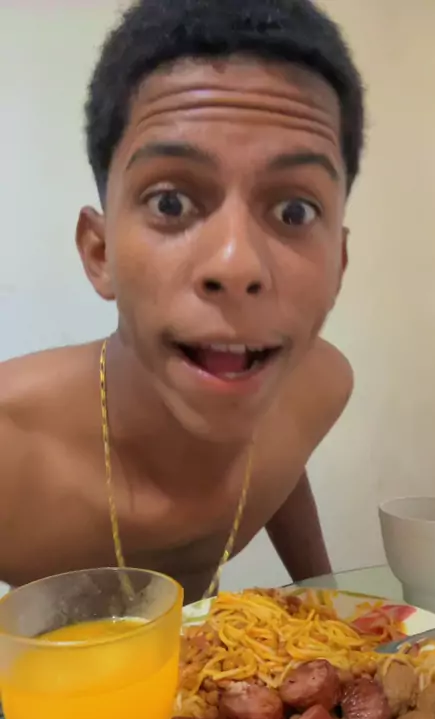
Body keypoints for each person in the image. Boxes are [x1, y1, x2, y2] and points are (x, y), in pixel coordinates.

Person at [0, 0, 364, 603]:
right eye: (171, 203)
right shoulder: (11, 451)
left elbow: (277, 465)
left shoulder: (318, 388)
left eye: (294, 210)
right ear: (100, 252)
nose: (236, 265)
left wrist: (324, 598)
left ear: (339, 267)